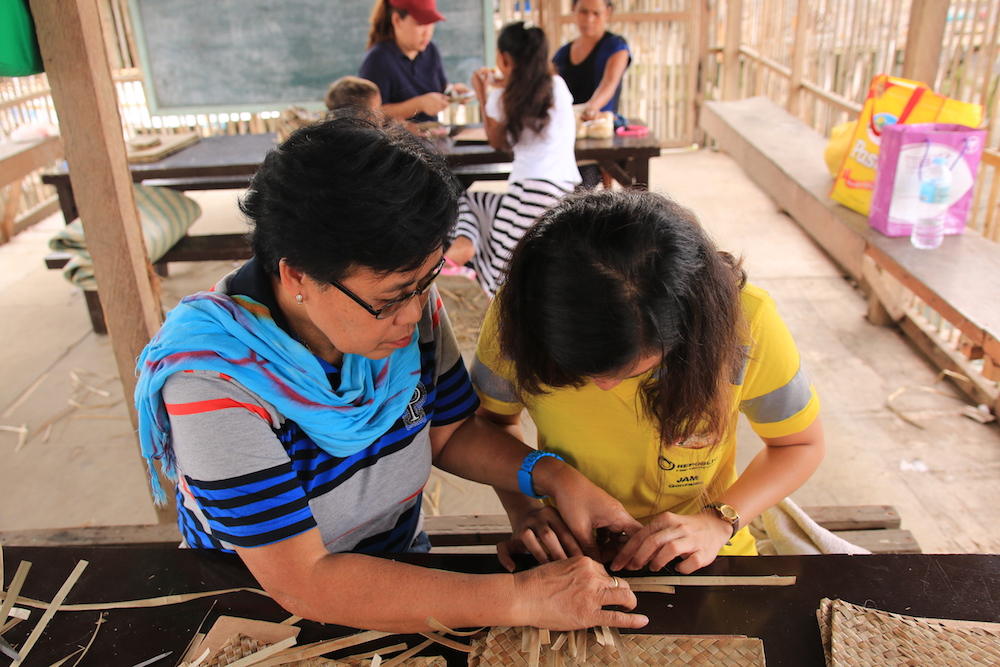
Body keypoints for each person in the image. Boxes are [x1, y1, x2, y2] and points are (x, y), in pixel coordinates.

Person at [134, 112, 649, 634]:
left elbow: (449, 434)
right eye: (392, 298)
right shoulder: (215, 381)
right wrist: (520, 600)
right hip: (265, 616)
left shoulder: (407, 311)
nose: (416, 313)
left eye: (426, 281)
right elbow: (304, 581)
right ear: (297, 276)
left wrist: (554, 477)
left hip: (403, 571)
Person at [472, 190, 826, 575]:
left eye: (632, 371)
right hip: (571, 548)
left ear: (691, 324)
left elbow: (799, 444)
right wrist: (527, 508)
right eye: (580, 371)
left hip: (705, 552)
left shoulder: (745, 324)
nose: (606, 387)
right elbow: (488, 425)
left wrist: (719, 520)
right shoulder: (522, 313)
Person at [444, 22, 580, 298]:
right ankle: (466, 244)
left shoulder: (505, 97)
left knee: (503, 276)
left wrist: (482, 93)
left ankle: (464, 246)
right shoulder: (557, 87)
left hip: (526, 195)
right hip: (563, 195)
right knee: (524, 264)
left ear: (504, 59)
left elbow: (496, 139)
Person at [359, 0, 470, 123]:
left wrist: (452, 93)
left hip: (434, 135)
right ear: (397, 20)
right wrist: (419, 105)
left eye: (430, 23)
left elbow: (442, 87)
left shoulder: (431, 48)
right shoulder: (378, 59)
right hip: (396, 140)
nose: (427, 32)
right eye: (420, 24)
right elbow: (370, 114)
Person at [552, 0, 631, 126]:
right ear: (574, 9)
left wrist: (592, 108)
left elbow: (609, 83)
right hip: (568, 128)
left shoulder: (616, 47)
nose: (589, 19)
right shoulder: (561, 54)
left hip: (601, 128)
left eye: (596, 13)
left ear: (608, 12)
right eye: (584, 12)